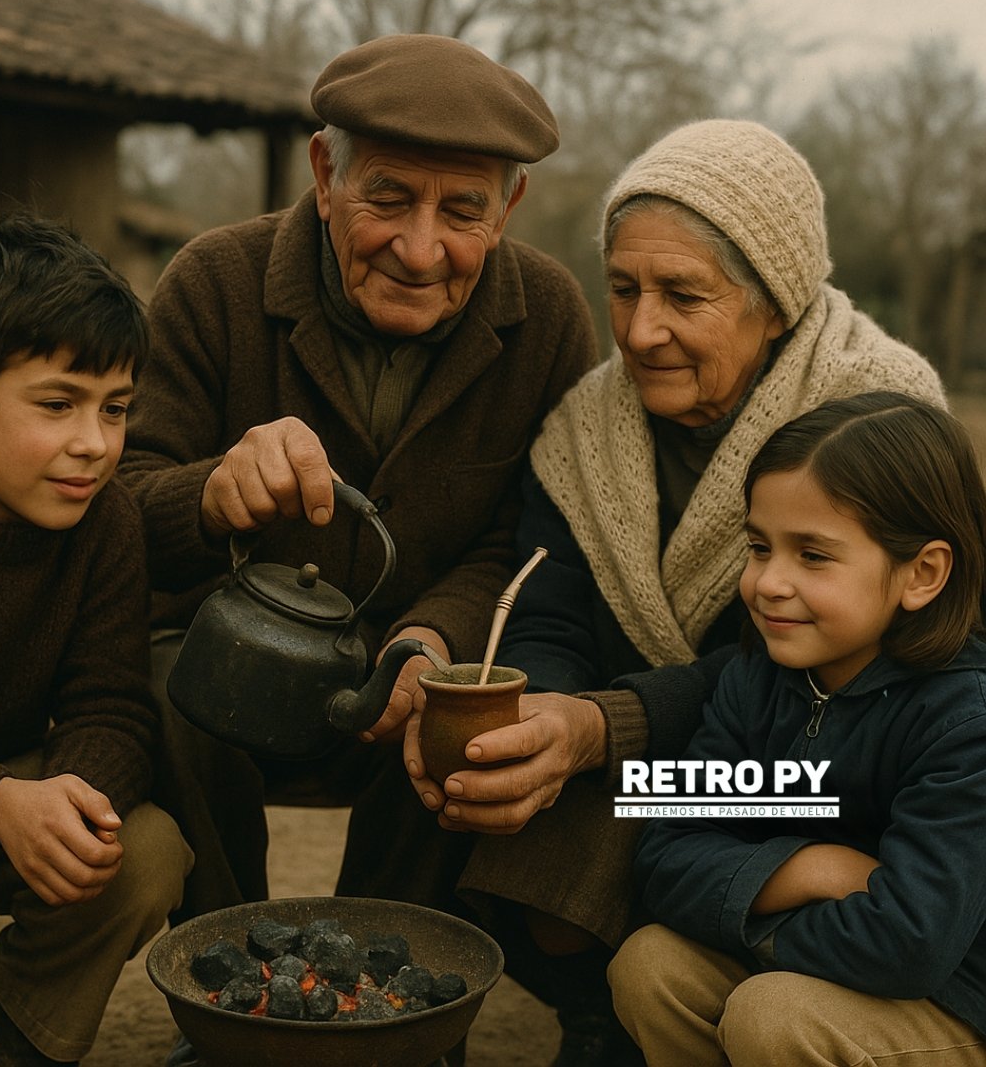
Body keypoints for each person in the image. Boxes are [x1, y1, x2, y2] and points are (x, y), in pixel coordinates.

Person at [386, 119, 948, 1065]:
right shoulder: (584, 432)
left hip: (817, 771)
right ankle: (570, 1013)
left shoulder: (878, 423)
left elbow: (784, 673)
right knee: (470, 782)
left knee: (629, 822)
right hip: (661, 740)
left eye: (683, 295)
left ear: (776, 301)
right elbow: (550, 608)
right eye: (623, 288)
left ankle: (647, 1010)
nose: (642, 330)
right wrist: (548, 713)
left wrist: (600, 729)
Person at [118, 32, 597, 1067]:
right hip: (221, 686)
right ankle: (237, 1004)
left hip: (400, 677)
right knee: (168, 685)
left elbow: (535, 545)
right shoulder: (212, 282)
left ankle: (392, 1018)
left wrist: (436, 636)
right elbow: (114, 517)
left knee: (468, 706)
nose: (422, 249)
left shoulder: (553, 318)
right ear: (325, 173)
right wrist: (207, 491)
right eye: (389, 198)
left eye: (462, 211)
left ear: (507, 210)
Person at [610, 390, 986, 1065]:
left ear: (922, 573)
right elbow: (663, 854)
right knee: (651, 964)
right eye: (759, 547)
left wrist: (743, 900)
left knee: (773, 1015)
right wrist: (809, 868)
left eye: (812, 555)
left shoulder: (965, 722)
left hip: (956, 1005)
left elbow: (913, 944)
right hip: (829, 964)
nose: (769, 583)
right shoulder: (755, 680)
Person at [0, 213, 193, 1067]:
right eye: (57, 405)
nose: (94, 445)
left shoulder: (105, 521)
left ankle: (22, 1018)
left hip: (14, 790)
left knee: (142, 852)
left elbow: (110, 704)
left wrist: (71, 802)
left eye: (115, 410)